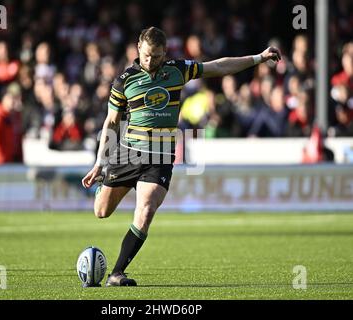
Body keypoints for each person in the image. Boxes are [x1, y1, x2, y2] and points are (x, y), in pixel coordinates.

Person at [81, 27, 281, 286]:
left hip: (161, 154)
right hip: (128, 152)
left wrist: (258, 58)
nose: (149, 61)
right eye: (144, 55)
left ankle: (117, 273)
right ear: (137, 50)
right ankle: (104, 188)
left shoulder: (178, 69)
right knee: (101, 211)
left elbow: (218, 67)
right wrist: (100, 162)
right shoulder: (124, 81)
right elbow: (111, 121)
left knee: (146, 209)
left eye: (154, 56)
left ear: (164, 53)